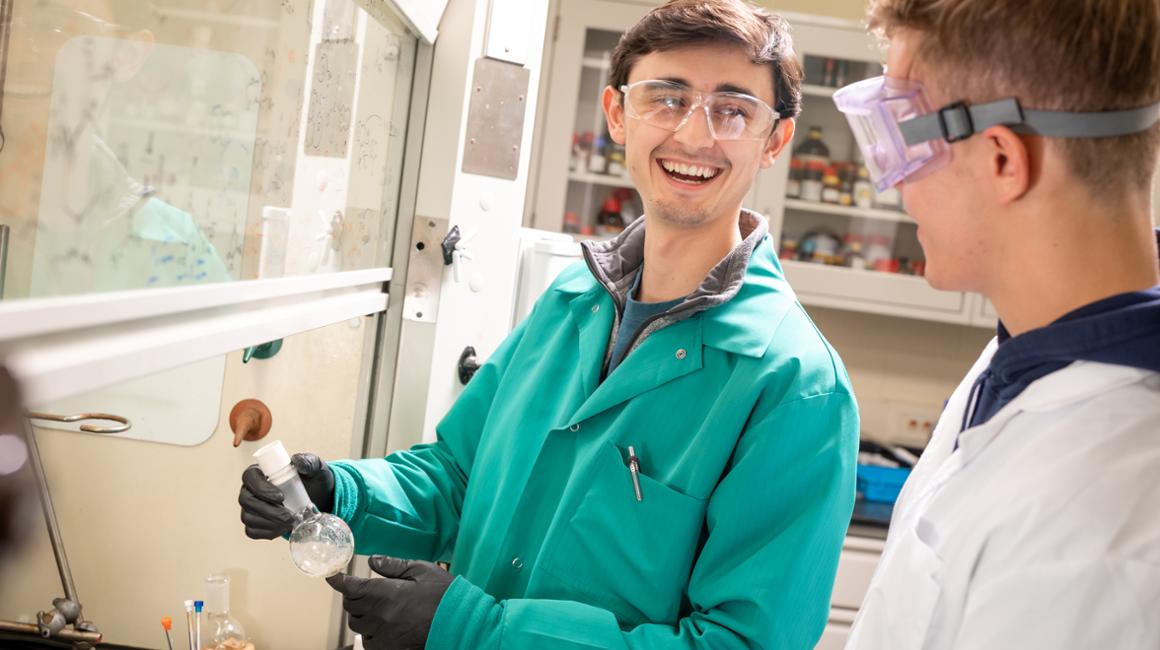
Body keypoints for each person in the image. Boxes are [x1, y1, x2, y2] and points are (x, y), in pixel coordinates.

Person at [239, 1, 859, 648]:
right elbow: (457, 477)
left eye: (733, 110)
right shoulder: (573, 300)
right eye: (666, 99)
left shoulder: (795, 385)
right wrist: (343, 493)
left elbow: (741, 642)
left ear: (776, 140)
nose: (696, 136)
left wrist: (473, 629)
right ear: (618, 114)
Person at [831, 0, 1160, 648]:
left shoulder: (1109, 542)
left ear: (1003, 159)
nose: (897, 185)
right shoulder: (1029, 354)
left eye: (910, 140)